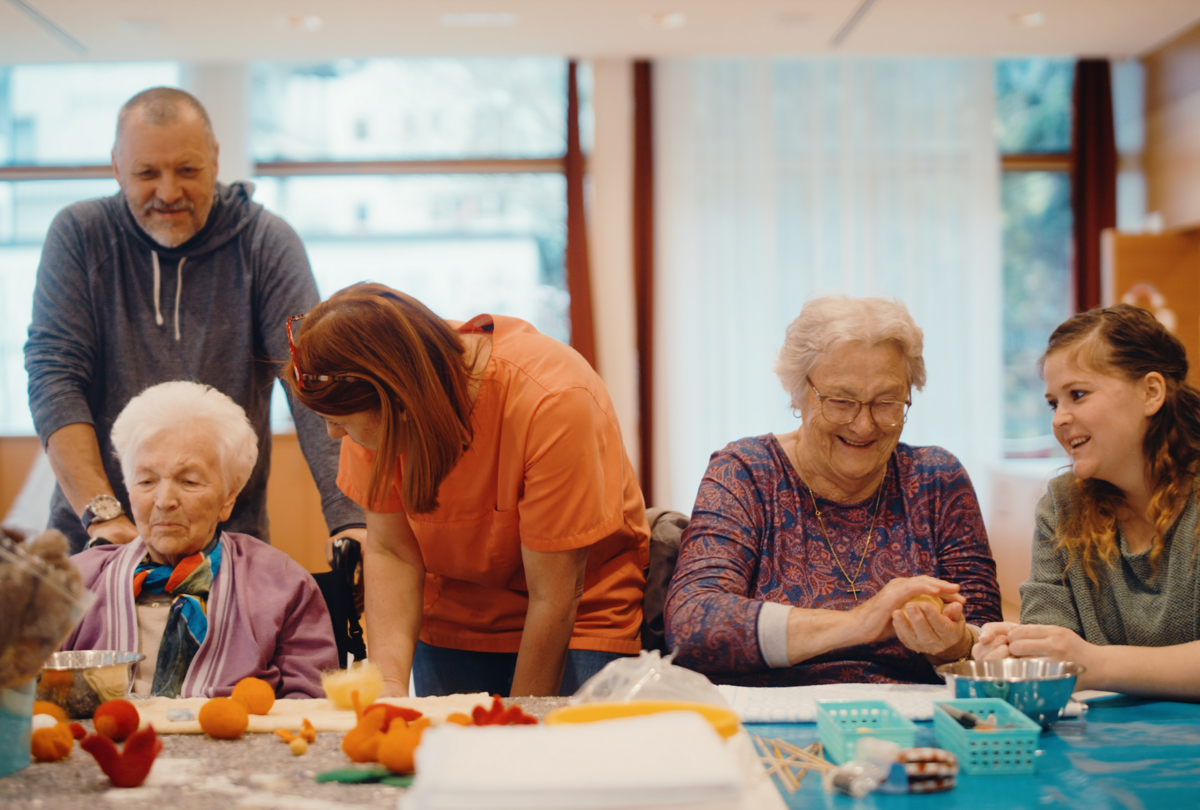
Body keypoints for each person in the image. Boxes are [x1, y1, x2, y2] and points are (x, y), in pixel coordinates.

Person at [24, 86, 365, 555]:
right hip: (96, 535)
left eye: (187, 170)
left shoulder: (265, 243)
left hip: (225, 543)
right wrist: (102, 513)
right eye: (147, 173)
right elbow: (54, 378)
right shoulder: (80, 236)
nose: (168, 192)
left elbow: (309, 379)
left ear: (216, 159)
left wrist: (349, 518)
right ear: (117, 167)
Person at [284, 283, 649, 698]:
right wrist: (387, 687)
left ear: (401, 403)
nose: (334, 436)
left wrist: (519, 722)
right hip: (454, 618)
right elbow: (391, 551)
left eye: (343, 422)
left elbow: (555, 597)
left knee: (543, 755)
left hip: (579, 615)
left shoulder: (553, 401)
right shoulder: (371, 398)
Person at [665, 295, 1002, 686]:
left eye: (887, 402)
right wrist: (858, 623)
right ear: (798, 392)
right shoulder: (748, 472)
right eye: (841, 401)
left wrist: (951, 644)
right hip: (771, 721)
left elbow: (988, 639)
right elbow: (692, 624)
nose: (863, 425)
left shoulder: (936, 479)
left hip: (911, 729)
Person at [973, 304, 1200, 700]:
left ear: (1151, 392)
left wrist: (1096, 665)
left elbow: (1083, 666)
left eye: (1077, 395)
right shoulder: (1061, 506)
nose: (1060, 419)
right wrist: (1016, 652)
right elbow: (1051, 647)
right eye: (1053, 403)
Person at [62, 382, 338, 698]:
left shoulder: (282, 585)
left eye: (189, 481)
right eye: (146, 480)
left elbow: (311, 707)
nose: (164, 500)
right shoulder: (73, 584)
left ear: (228, 497)